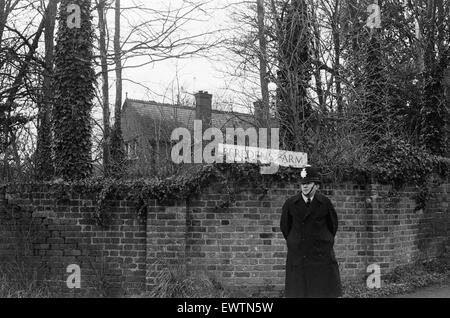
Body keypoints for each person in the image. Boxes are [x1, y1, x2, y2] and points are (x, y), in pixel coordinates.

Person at [280, 166, 342, 298]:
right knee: (300, 293)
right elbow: (285, 227)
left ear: (317, 186)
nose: (305, 186)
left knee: (321, 292)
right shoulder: (290, 204)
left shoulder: (325, 203)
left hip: (320, 255)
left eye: (308, 183)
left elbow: (332, 226)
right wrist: (295, 241)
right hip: (299, 257)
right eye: (303, 183)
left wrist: (323, 241)